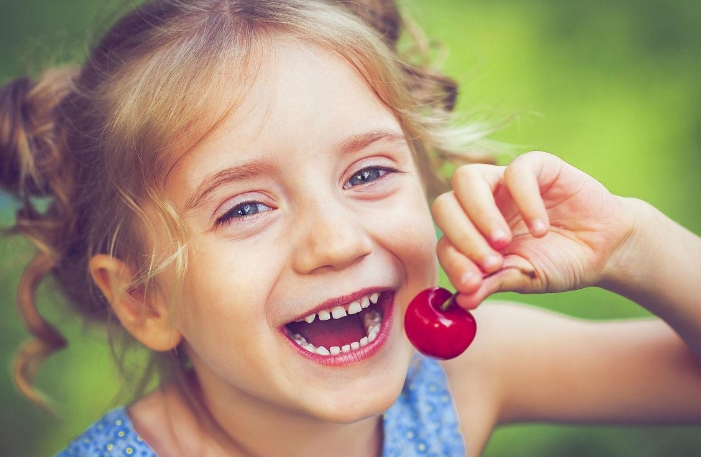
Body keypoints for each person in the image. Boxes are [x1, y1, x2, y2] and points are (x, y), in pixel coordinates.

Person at [1, 0, 700, 456]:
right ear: (143, 300)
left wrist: (634, 242)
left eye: (366, 174)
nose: (337, 241)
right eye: (244, 207)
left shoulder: (456, 376)